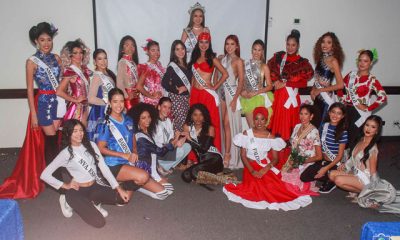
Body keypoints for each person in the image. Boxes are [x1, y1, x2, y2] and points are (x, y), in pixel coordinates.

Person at [0, 22, 61, 198]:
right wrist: (33, 114)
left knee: (56, 138)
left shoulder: (57, 58)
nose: (46, 43)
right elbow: (29, 89)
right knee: (50, 139)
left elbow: (61, 83)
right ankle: (53, 177)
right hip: (42, 102)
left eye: (49, 39)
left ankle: (54, 172)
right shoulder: (31, 62)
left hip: (57, 101)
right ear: (36, 41)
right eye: (42, 40)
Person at [40, 119, 130, 228]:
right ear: (68, 133)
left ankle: (94, 202)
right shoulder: (65, 153)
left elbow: (104, 168)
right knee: (99, 223)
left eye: (81, 130)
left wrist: (118, 188)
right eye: (75, 131)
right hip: (77, 191)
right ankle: (67, 200)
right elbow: (44, 175)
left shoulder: (91, 145)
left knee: (121, 199)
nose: (79, 134)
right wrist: (65, 185)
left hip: (94, 186)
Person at [223, 107, 312, 210]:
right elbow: (243, 155)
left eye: (262, 119)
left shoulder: (271, 137)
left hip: (265, 165)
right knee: (255, 187)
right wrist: (252, 171)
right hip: (250, 166)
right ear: (253, 120)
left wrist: (265, 168)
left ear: (266, 120)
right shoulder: (246, 134)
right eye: (256, 119)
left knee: (272, 186)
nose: (259, 122)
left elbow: (275, 159)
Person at [97, 88, 170, 200]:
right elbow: (101, 148)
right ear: (109, 103)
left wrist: (135, 151)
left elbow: (133, 138)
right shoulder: (105, 123)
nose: (119, 105)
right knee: (128, 194)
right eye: (115, 101)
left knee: (163, 193)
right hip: (113, 164)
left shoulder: (128, 119)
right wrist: (124, 155)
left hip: (130, 163)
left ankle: (132, 183)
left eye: (121, 101)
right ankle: (115, 181)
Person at [267, 30, 314, 141]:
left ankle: (288, 156)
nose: (290, 47)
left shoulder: (302, 63)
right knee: (277, 128)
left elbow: (303, 84)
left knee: (289, 129)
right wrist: (274, 83)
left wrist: (286, 83)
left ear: (298, 46)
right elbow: (268, 71)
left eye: (293, 45)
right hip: (279, 97)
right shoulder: (279, 57)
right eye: (288, 44)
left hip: (291, 99)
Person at [337, 49, 387, 150]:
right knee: (342, 137)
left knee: (354, 139)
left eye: (365, 61)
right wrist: (344, 100)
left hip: (359, 113)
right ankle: (341, 162)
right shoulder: (351, 74)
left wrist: (368, 108)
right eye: (360, 60)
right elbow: (340, 88)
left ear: (371, 63)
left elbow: (383, 97)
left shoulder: (371, 79)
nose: (362, 63)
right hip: (346, 110)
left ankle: (353, 163)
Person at [189, 32, 228, 154]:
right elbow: (192, 78)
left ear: (209, 43)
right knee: (193, 124)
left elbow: (225, 74)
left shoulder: (212, 58)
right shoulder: (194, 58)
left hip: (206, 95)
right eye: (201, 42)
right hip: (195, 93)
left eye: (206, 42)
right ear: (198, 43)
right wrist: (190, 91)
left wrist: (214, 86)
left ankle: (212, 154)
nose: (203, 45)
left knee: (209, 123)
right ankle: (194, 156)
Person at [128, 103, 175, 196]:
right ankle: (138, 186)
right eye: (143, 118)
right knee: (167, 192)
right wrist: (172, 144)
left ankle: (145, 183)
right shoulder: (140, 137)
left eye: (149, 116)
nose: (148, 120)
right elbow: (159, 152)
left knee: (169, 189)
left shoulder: (147, 132)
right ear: (137, 120)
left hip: (152, 170)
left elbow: (153, 156)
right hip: (145, 171)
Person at [300, 102, 348, 193]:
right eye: (333, 112)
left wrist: (325, 169)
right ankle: (328, 175)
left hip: (334, 162)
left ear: (342, 116)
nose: (335, 115)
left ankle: (331, 179)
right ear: (329, 112)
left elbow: (339, 156)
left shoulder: (343, 132)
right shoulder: (324, 126)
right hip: (322, 160)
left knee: (326, 172)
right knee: (304, 177)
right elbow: (318, 144)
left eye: (339, 113)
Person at [215, 35, 244, 169]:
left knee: (228, 124)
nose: (229, 46)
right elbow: (217, 76)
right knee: (222, 125)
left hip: (231, 94)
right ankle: (223, 152)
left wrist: (234, 99)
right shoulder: (221, 59)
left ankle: (228, 154)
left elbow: (241, 82)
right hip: (221, 94)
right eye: (227, 44)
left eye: (232, 44)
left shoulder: (239, 61)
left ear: (237, 46)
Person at [281, 104, 322, 196]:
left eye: (306, 114)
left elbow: (319, 156)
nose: (303, 117)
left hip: (307, 162)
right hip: (295, 159)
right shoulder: (297, 127)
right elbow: (293, 145)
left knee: (293, 187)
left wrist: (302, 161)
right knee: (281, 180)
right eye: (301, 114)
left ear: (311, 116)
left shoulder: (314, 131)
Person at [181, 104, 224, 183]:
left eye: (201, 115)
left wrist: (190, 139)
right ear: (191, 116)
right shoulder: (187, 127)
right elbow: (185, 144)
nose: (198, 118)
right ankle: (213, 176)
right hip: (202, 161)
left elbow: (204, 149)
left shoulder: (210, 128)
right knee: (186, 175)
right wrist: (184, 163)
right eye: (195, 115)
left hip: (214, 159)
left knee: (194, 173)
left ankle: (221, 179)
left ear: (204, 116)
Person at [310, 32, 345, 128]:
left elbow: (340, 85)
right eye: (323, 42)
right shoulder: (320, 59)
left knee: (321, 126)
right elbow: (318, 78)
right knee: (314, 126)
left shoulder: (333, 61)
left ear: (333, 46)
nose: (325, 45)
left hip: (325, 100)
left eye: (328, 42)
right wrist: (313, 90)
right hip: (317, 98)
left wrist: (320, 90)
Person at [57, 39, 92, 127]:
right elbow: (59, 91)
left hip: (85, 107)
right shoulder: (70, 71)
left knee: (84, 135)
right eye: (75, 53)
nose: (78, 55)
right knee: (74, 136)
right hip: (76, 108)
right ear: (70, 55)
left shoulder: (85, 70)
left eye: (80, 53)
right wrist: (75, 100)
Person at [240, 39, 274, 128]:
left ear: (262, 52)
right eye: (255, 49)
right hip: (247, 99)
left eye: (259, 50)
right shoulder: (245, 64)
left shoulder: (264, 66)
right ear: (252, 50)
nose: (256, 52)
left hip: (259, 98)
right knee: (251, 128)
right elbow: (241, 82)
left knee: (260, 128)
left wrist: (256, 92)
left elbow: (270, 86)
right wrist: (242, 91)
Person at [153, 97, 191, 174]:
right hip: (158, 152)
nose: (167, 110)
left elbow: (170, 140)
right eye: (165, 107)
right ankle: (160, 166)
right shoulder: (154, 122)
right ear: (159, 107)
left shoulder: (168, 121)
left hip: (167, 148)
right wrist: (176, 140)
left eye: (169, 108)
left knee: (187, 146)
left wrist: (179, 139)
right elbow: (161, 145)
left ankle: (164, 167)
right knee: (180, 149)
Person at [162, 40, 192, 132]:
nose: (180, 51)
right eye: (177, 49)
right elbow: (164, 83)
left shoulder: (187, 66)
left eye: (182, 49)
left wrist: (186, 88)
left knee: (186, 126)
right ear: (174, 52)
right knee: (181, 126)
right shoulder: (172, 66)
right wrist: (176, 90)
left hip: (186, 99)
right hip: (177, 100)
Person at [87, 49, 116, 141]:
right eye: (100, 59)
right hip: (101, 111)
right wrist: (107, 102)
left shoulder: (109, 74)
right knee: (101, 140)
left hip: (110, 110)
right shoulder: (97, 76)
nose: (103, 61)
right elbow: (90, 99)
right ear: (95, 62)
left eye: (105, 58)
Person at [137, 40, 166, 106]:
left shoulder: (159, 65)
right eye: (153, 50)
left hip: (161, 101)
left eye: (158, 50)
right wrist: (151, 96)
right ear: (147, 52)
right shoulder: (145, 67)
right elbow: (139, 86)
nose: (156, 53)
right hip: (151, 102)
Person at [116, 35, 140, 111]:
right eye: (127, 45)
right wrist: (126, 96)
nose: (130, 47)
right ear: (122, 49)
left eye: (133, 45)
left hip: (136, 96)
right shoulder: (122, 62)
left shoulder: (134, 63)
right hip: (128, 97)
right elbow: (119, 84)